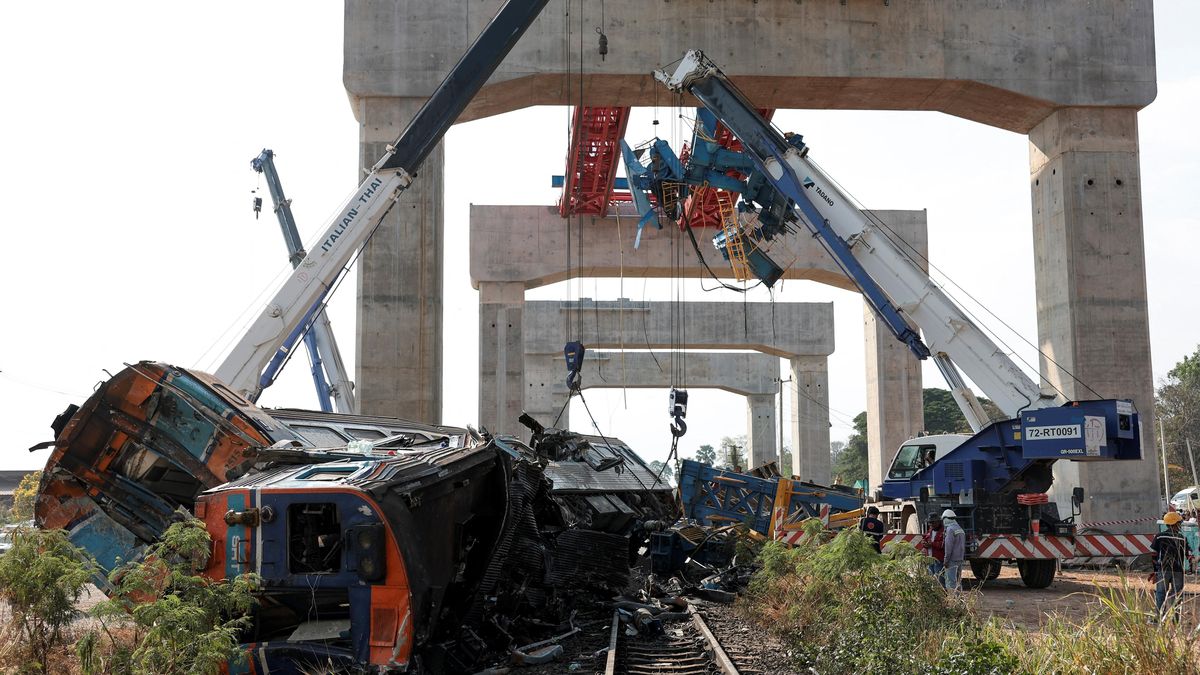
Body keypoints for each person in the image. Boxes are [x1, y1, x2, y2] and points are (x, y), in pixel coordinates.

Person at [1152, 511, 1192, 621]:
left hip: (1163, 570)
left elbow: (1154, 554)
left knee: (1161, 593)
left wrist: (1155, 571)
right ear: (1175, 524)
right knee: (1176, 594)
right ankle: (1175, 618)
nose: (1180, 525)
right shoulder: (1182, 538)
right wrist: (1191, 567)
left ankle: (1159, 617)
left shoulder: (1159, 537)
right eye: (1179, 523)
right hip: (1178, 571)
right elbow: (1189, 555)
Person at [917, 512, 946, 585]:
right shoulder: (930, 531)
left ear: (938, 522)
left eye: (933, 522)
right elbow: (925, 539)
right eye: (930, 523)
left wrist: (931, 544)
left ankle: (941, 591)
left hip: (938, 560)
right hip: (930, 559)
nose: (931, 524)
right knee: (931, 579)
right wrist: (924, 543)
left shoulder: (943, 532)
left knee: (939, 579)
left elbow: (943, 545)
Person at [941, 509, 965, 591]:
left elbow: (948, 547)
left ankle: (952, 598)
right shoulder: (960, 529)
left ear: (946, 519)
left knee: (950, 582)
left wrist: (946, 560)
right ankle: (959, 598)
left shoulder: (950, 530)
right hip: (960, 559)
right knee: (958, 581)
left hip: (952, 560)